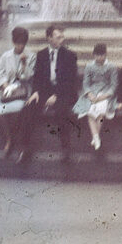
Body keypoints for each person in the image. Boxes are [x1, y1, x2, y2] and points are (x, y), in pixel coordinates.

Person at [18, 24, 79, 164]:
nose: (61, 40)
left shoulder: (70, 56)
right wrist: (35, 92)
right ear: (49, 38)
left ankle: (66, 150)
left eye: (62, 37)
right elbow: (38, 77)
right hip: (45, 92)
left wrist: (56, 95)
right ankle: (25, 149)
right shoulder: (41, 55)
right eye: (58, 37)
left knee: (62, 111)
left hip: (64, 92)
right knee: (28, 108)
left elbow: (70, 81)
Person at [0, 26, 36, 158]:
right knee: (0, 110)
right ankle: (9, 138)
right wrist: (5, 85)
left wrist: (24, 64)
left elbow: (29, 76)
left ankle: (17, 139)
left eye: (23, 43)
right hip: (7, 89)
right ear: (14, 42)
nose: (21, 46)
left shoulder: (31, 56)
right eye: (18, 43)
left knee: (19, 109)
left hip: (22, 89)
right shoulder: (6, 56)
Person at [72, 43, 118, 151]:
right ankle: (96, 137)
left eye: (102, 55)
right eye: (97, 55)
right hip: (92, 92)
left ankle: (95, 136)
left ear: (106, 55)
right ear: (94, 55)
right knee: (90, 113)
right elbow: (86, 83)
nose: (99, 58)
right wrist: (89, 94)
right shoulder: (89, 66)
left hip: (105, 93)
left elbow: (114, 84)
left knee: (101, 113)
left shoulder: (111, 67)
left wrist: (104, 96)